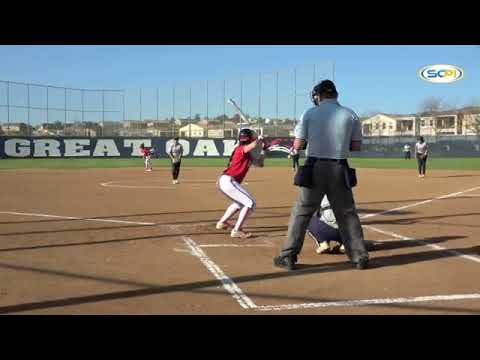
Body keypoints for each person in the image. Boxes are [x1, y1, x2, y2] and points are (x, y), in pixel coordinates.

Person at [273, 79, 369, 271]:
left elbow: (298, 145)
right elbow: (356, 146)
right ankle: (359, 256)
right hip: (339, 168)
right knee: (347, 214)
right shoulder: (350, 114)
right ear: (336, 94)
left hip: (315, 167)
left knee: (302, 212)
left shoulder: (309, 113)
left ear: (318, 96)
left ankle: (288, 256)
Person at [216, 128, 265, 239]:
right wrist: (259, 139)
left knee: (239, 203)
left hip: (227, 181)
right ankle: (237, 230)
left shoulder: (248, 154)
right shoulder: (241, 149)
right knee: (250, 203)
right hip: (228, 180)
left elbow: (260, 164)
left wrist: (263, 150)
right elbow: (251, 146)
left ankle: (222, 222)